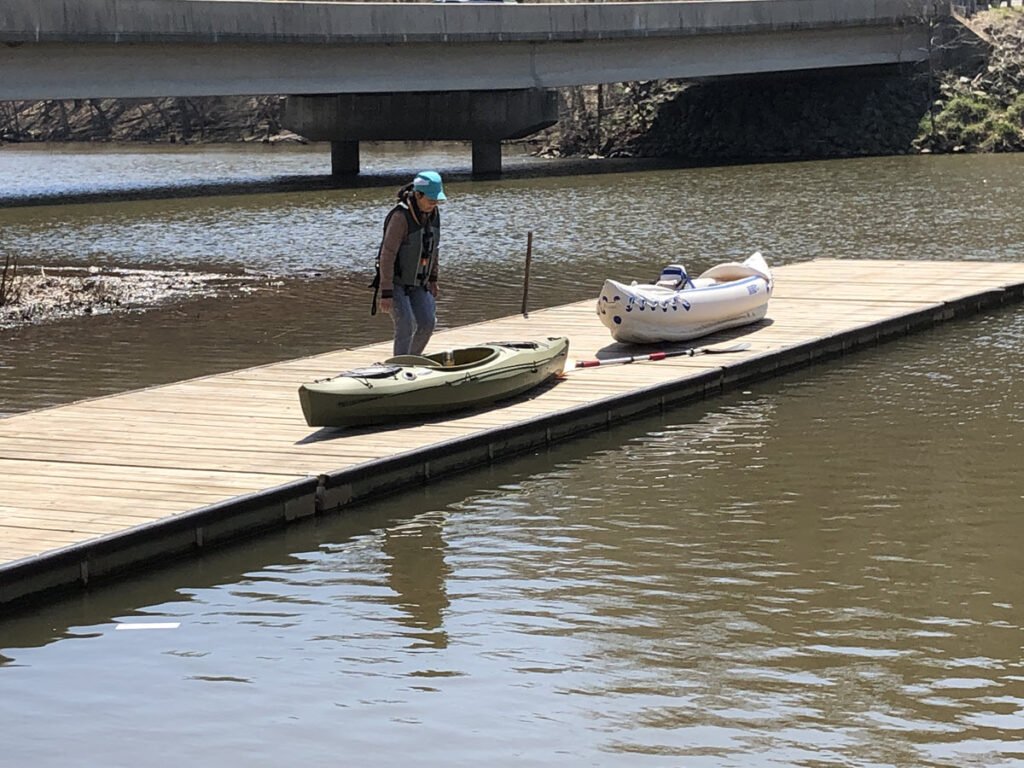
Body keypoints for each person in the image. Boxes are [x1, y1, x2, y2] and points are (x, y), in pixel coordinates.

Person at [371, 170, 446, 356]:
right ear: (418, 195)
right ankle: (399, 366)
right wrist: (386, 291)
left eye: (436, 200)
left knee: (428, 323)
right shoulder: (400, 217)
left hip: (419, 282)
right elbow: (387, 254)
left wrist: (433, 278)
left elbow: (433, 247)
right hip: (395, 283)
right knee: (405, 324)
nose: (434, 204)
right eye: (430, 200)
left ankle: (411, 359)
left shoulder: (434, 214)